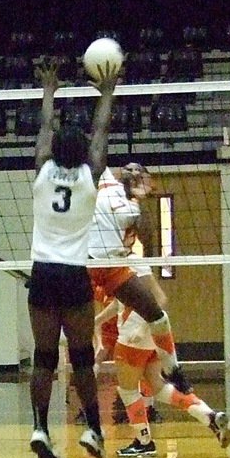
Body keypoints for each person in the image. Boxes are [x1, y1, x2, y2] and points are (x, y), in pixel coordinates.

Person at [26, 57, 117, 458]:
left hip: (43, 273)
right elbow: (102, 131)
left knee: (44, 357)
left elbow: (45, 127)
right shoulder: (89, 176)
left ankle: (39, 428)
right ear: (83, 154)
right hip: (73, 275)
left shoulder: (43, 171)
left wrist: (49, 89)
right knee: (81, 356)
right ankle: (93, 428)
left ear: (53, 151)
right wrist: (107, 92)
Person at [89, 162, 192, 393]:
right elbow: (100, 158)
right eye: (130, 169)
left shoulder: (133, 209)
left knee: (158, 317)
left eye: (138, 172)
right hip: (89, 261)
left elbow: (143, 232)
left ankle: (172, 369)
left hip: (116, 265)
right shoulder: (107, 182)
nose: (133, 172)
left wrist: (138, 196)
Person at [95, 299, 230, 458]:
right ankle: (209, 416)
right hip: (152, 333)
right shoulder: (126, 286)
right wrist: (98, 320)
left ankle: (144, 442)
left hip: (133, 332)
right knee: (157, 386)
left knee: (128, 390)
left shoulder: (132, 282)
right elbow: (122, 301)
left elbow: (158, 297)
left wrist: (140, 328)